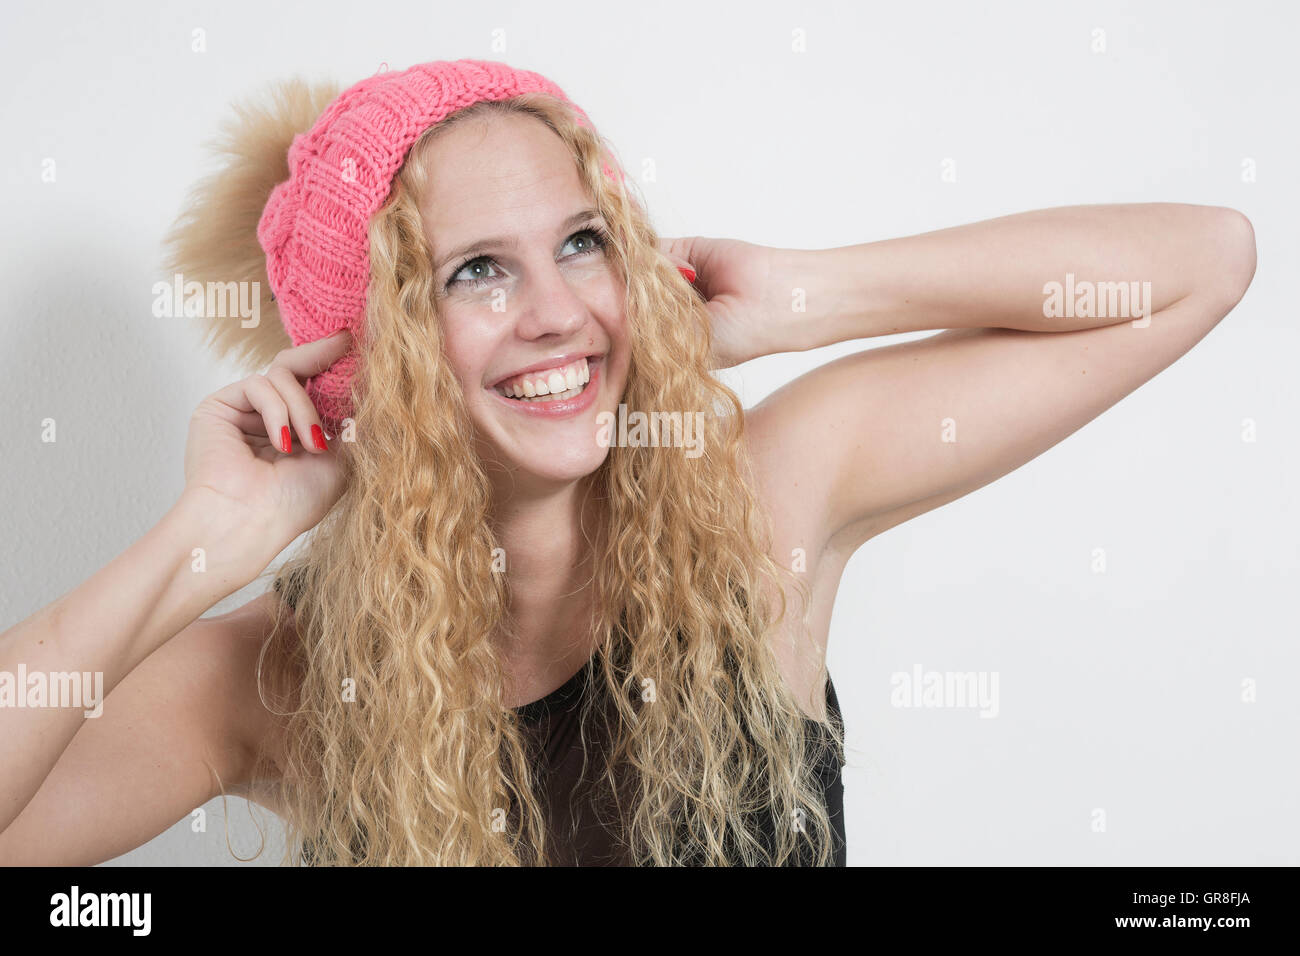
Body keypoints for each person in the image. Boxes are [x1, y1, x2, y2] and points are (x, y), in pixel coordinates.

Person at [0, 59, 1256, 866]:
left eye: (584, 243)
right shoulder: (276, 672)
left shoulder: (771, 501)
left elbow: (1204, 260)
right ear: (366, 354)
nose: (557, 311)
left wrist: (807, 297)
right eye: (477, 270)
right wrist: (201, 543)